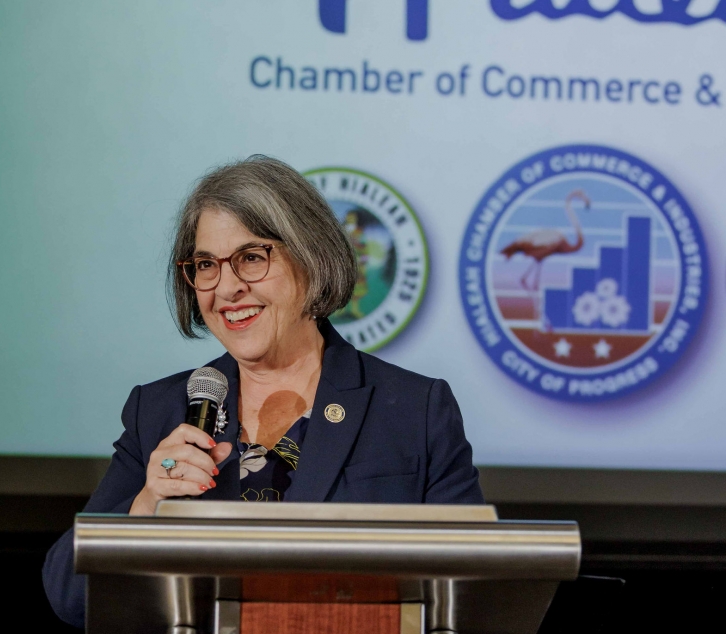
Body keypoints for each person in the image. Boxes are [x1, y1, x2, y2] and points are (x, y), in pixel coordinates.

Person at [42, 156, 483, 627]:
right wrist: (148, 504)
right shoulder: (160, 411)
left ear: (311, 258)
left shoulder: (414, 409)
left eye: (251, 258)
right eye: (206, 265)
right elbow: (69, 596)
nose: (227, 288)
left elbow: (475, 591)